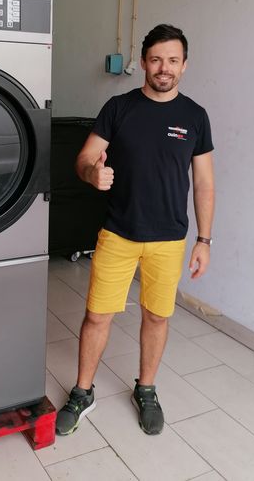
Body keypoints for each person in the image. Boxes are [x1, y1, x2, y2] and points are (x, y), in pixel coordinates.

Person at [55, 23, 215, 437]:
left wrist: (204, 240)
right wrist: (92, 174)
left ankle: (146, 389)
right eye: (157, 59)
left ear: (185, 65)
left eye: (173, 60)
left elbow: (204, 182)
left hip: (169, 238)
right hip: (119, 233)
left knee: (157, 317)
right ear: (144, 62)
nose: (164, 68)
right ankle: (83, 391)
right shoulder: (119, 108)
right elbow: (84, 158)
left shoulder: (195, 117)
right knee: (97, 316)